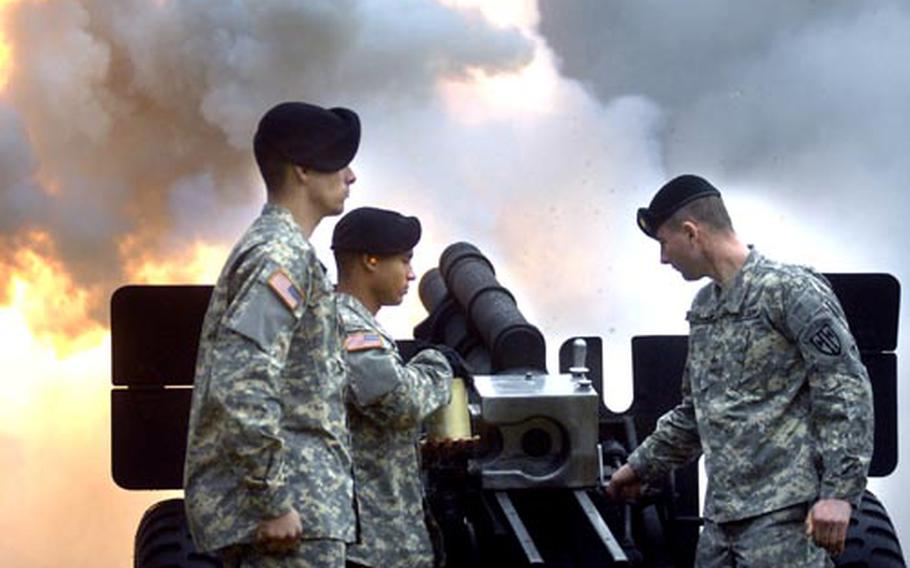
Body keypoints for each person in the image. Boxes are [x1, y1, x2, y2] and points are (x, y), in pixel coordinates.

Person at [607, 174, 874, 567]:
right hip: (721, 524)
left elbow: (845, 388)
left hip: (784, 519)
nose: (663, 258)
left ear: (691, 232)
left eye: (664, 243)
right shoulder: (705, 308)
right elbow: (695, 413)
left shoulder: (789, 292)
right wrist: (638, 467)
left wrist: (839, 492)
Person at [183, 101, 360, 567]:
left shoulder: (282, 251)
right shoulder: (280, 256)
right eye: (338, 161)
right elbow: (240, 382)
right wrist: (274, 500)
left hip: (301, 515)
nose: (351, 175)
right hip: (291, 523)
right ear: (303, 169)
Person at [331, 206, 455, 568]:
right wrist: (438, 363)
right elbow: (398, 402)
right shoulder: (347, 325)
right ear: (371, 260)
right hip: (369, 548)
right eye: (404, 260)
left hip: (380, 540)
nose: (412, 273)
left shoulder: (353, 323)